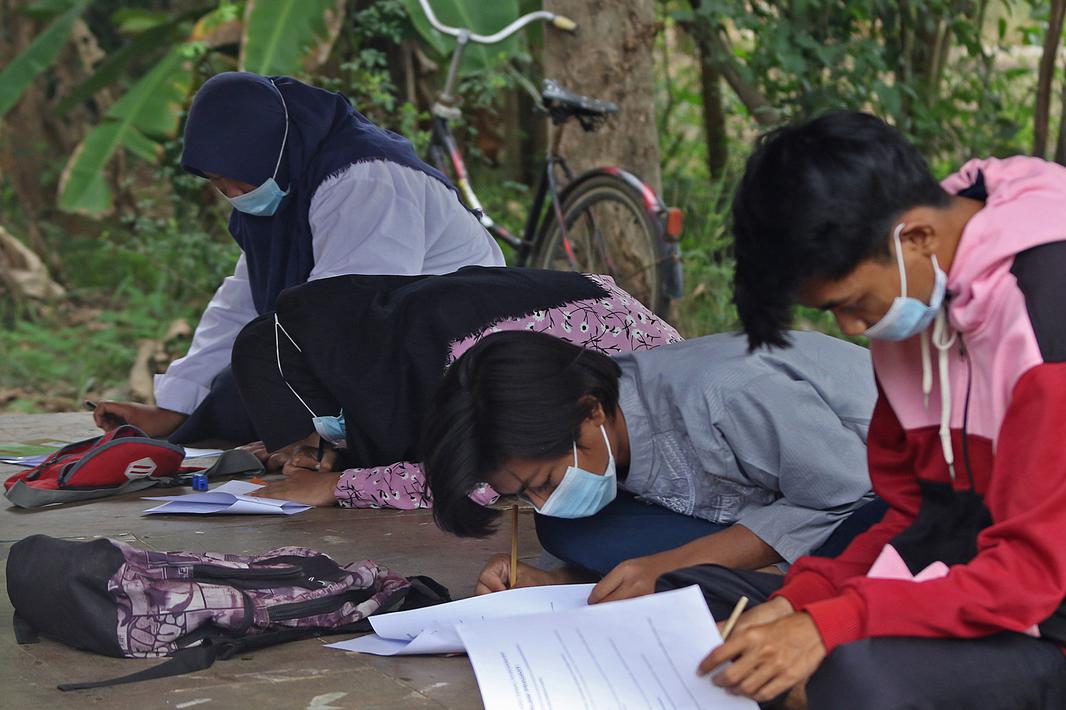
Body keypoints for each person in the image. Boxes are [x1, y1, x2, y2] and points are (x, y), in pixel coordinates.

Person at [656, 111, 1066, 709]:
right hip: (954, 588)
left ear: (914, 239)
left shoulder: (1052, 318)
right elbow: (914, 516)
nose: (852, 328)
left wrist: (829, 626)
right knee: (699, 602)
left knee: (854, 678)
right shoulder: (907, 314)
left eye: (853, 303)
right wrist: (798, 603)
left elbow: (1027, 579)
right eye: (832, 312)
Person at [90, 71, 504, 445]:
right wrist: (174, 406)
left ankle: (338, 450)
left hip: (452, 349)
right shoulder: (285, 177)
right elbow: (243, 300)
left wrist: (312, 435)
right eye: (217, 182)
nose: (231, 193)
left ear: (265, 153)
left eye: (236, 177)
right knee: (240, 384)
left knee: (259, 376)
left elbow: (353, 315)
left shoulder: (365, 179)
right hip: (378, 339)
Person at [421, 329, 885, 604]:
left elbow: (846, 494)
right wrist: (554, 581)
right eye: (524, 494)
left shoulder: (724, 395)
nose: (541, 502)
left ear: (590, 412)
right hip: (785, 505)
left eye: (543, 482)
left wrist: (671, 565)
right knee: (569, 533)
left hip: (882, 489)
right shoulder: (605, 428)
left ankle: (758, 587)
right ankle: (728, 582)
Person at [229, 266, 683, 506]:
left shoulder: (460, 360)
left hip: (658, 423)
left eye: (317, 432)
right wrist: (328, 447)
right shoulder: (407, 327)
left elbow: (477, 478)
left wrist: (339, 485)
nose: (299, 462)